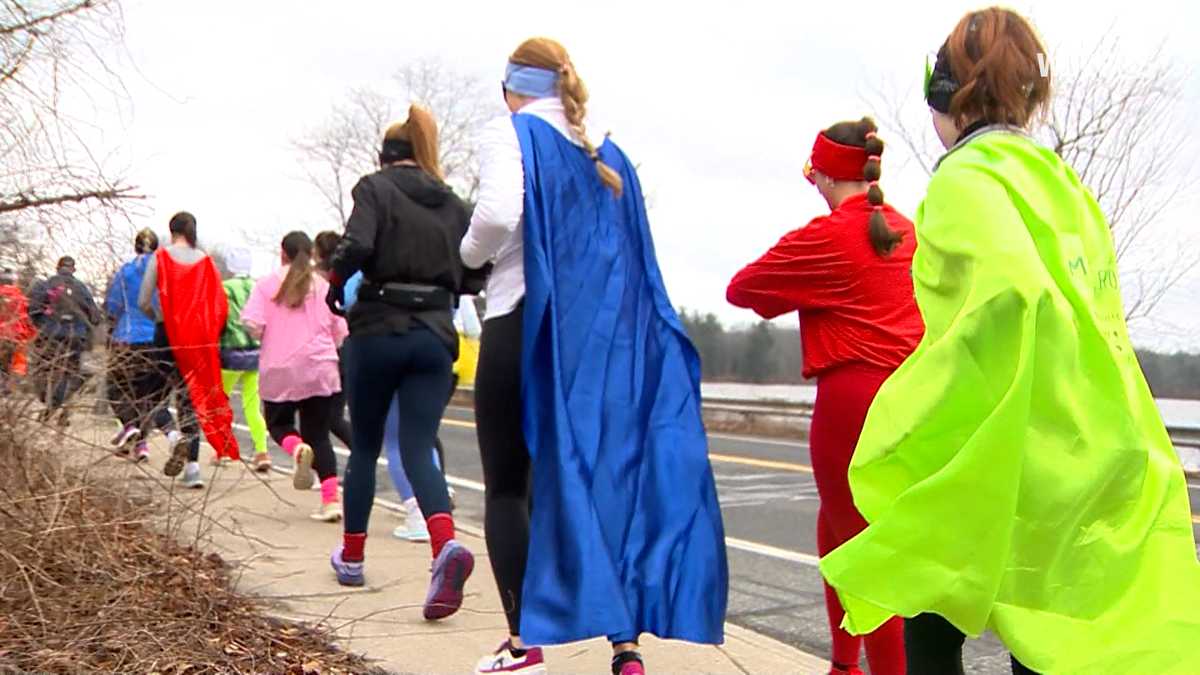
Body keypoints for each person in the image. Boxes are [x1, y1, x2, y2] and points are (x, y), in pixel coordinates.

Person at [817, 9, 1200, 675]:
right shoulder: (1066, 185)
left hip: (1004, 446)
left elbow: (1005, 299)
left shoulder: (965, 179)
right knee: (1052, 634)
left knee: (929, 598)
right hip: (1090, 443)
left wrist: (907, 416)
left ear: (947, 97)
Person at [460, 38, 727, 675]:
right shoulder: (610, 152)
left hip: (524, 322)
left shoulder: (512, 132)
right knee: (599, 480)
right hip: (600, 345)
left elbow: (497, 214)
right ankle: (625, 648)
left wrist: (468, 256)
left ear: (511, 88)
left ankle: (525, 645)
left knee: (507, 487)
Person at [727, 117, 918, 675]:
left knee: (864, 554)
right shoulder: (910, 233)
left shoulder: (826, 237)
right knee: (841, 530)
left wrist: (808, 294)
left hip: (852, 403)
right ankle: (842, 665)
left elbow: (743, 288)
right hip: (915, 401)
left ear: (825, 176)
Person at [324, 105, 474, 621]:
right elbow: (475, 271)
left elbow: (357, 245)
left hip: (379, 329)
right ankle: (444, 547)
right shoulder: (453, 203)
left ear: (386, 156)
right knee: (416, 447)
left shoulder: (375, 188)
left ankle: (352, 556)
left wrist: (333, 284)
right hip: (435, 333)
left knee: (365, 448)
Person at [241, 231, 346, 521]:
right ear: (312, 253)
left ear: (282, 253)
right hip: (320, 366)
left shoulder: (266, 286)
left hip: (280, 366)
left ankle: (296, 448)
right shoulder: (324, 286)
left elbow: (253, 325)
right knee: (320, 436)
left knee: (279, 423)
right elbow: (341, 329)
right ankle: (331, 501)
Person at [139, 212, 240, 487]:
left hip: (166, 333)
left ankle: (173, 437)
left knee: (153, 395)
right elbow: (218, 304)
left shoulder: (160, 258)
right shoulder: (206, 262)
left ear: (171, 231)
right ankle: (193, 469)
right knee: (190, 399)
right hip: (196, 339)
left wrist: (159, 318)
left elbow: (143, 300)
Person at [104, 229, 177, 461]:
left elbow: (113, 305)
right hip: (159, 339)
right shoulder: (166, 272)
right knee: (148, 396)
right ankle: (143, 445)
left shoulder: (126, 272)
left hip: (128, 337)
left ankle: (129, 427)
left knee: (116, 387)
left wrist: (110, 327)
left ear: (136, 246)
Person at [27, 255, 102, 426]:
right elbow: (96, 316)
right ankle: (62, 408)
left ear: (57, 267)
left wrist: (43, 326)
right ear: (73, 269)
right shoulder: (82, 288)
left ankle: (53, 406)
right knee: (70, 373)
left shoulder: (47, 284)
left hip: (51, 337)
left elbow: (32, 309)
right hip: (76, 337)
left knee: (45, 371)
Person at [0, 267, 35, 392]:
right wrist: (31, 334)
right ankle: (7, 386)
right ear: (14, 282)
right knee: (12, 362)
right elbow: (26, 318)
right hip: (15, 335)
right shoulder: (21, 298)